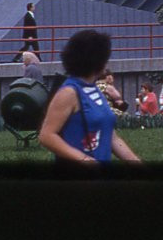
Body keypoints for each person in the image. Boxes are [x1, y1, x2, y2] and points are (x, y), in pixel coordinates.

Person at [37, 28, 143, 171]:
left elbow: (111, 137)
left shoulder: (94, 89)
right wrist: (84, 160)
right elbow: (47, 136)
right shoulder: (69, 92)